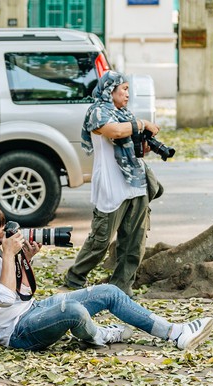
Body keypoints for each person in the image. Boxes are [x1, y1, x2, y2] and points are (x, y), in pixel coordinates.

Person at [0, 202, 213, 352]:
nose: (2, 239)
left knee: (108, 291)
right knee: (73, 310)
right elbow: (4, 299)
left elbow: (22, 293)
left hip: (33, 310)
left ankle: (174, 332)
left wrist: (24, 260)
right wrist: (7, 256)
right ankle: (98, 334)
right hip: (17, 332)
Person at [64, 70, 161, 296]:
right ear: (110, 90)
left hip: (135, 182)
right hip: (110, 183)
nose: (128, 94)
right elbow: (115, 132)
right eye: (124, 89)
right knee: (101, 239)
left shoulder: (125, 114)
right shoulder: (98, 112)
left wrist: (143, 147)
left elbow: (131, 145)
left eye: (128, 89)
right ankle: (75, 277)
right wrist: (143, 123)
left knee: (134, 241)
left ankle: (121, 287)